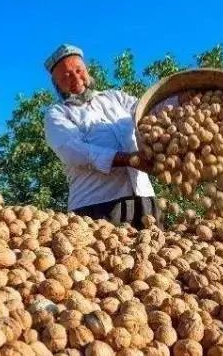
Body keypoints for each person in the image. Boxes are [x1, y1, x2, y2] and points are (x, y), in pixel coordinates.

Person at [42, 43, 160, 228]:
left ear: (87, 71)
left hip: (144, 199)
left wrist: (180, 100)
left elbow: (148, 110)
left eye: (79, 70)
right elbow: (74, 152)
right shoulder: (57, 114)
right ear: (57, 85)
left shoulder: (115, 98)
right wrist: (129, 160)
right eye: (66, 77)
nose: (75, 78)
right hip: (97, 205)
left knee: (155, 254)